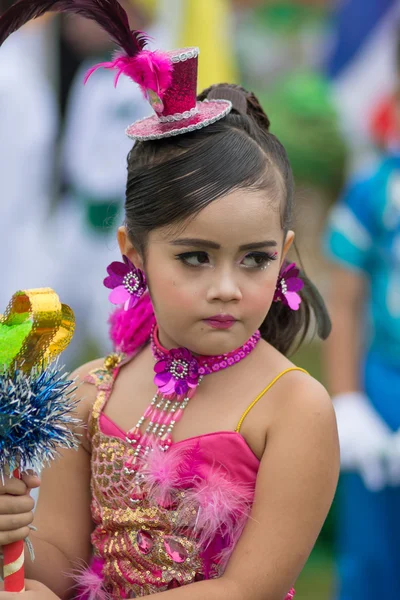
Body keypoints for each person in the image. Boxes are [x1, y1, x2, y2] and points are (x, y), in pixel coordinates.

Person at [0, 1, 339, 598]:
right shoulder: (87, 392)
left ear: (284, 253)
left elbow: (246, 590)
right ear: (135, 253)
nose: (226, 286)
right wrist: (13, 549)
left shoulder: (293, 408)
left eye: (255, 259)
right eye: (194, 257)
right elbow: (56, 565)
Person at [323, 49, 400, 600]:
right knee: (372, 558)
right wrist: (348, 401)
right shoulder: (376, 188)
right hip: (385, 390)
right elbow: (344, 300)